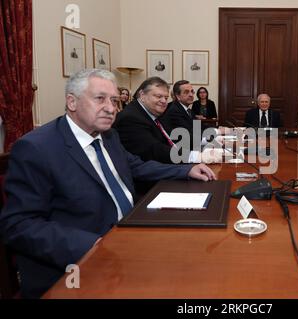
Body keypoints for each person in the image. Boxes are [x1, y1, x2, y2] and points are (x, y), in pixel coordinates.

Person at [0, 69, 216, 298]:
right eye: (100, 99)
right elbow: (18, 224)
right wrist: (91, 245)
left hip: (131, 238)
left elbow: (137, 166)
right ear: (71, 102)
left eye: (114, 100)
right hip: (78, 266)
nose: (111, 108)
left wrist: (187, 169)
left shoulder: (108, 136)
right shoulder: (37, 148)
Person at [114, 77, 223, 164]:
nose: (163, 101)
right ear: (142, 95)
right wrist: (195, 156)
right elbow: (155, 150)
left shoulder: (150, 113)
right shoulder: (131, 117)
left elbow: (168, 143)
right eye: (158, 96)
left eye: (166, 98)